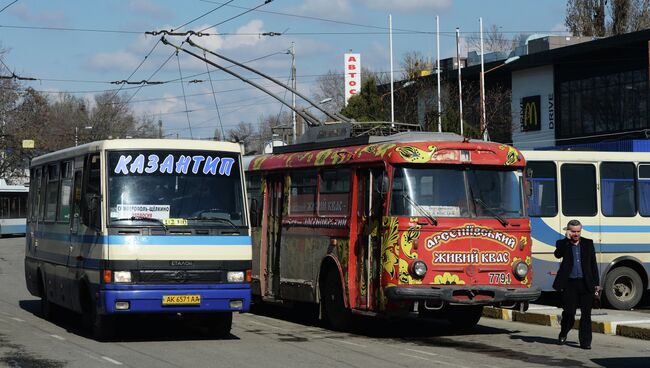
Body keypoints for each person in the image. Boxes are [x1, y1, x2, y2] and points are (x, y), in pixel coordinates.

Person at [553, 219, 600, 349]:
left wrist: (596, 283)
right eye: (573, 231)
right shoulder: (563, 243)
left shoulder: (588, 244)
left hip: (586, 284)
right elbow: (558, 254)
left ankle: (585, 342)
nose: (576, 234)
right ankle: (564, 331)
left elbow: (593, 264)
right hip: (570, 284)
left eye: (578, 231)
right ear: (568, 231)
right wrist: (566, 240)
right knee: (569, 312)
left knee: (586, 314)